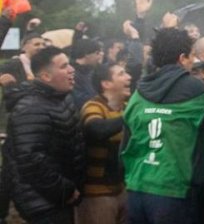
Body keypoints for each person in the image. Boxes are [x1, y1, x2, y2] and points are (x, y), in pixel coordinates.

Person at [120, 28, 204, 224]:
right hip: (174, 192)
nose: (193, 62)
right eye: (192, 57)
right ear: (182, 58)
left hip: (137, 189)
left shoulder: (138, 93)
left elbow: (126, 144)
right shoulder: (195, 89)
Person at [4, 46, 84, 224]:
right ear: (46, 76)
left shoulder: (60, 98)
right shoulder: (31, 107)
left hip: (60, 198)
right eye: (63, 67)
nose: (71, 70)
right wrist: (65, 190)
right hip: (43, 204)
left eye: (69, 64)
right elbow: (31, 159)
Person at [76, 63, 131, 224]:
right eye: (121, 74)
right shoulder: (93, 106)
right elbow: (96, 130)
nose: (129, 77)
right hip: (97, 194)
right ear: (106, 84)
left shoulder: (127, 108)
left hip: (122, 189)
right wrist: (130, 117)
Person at [71, 38, 104, 110]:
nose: (99, 56)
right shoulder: (72, 74)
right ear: (87, 54)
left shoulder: (91, 71)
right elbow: (80, 100)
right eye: (97, 53)